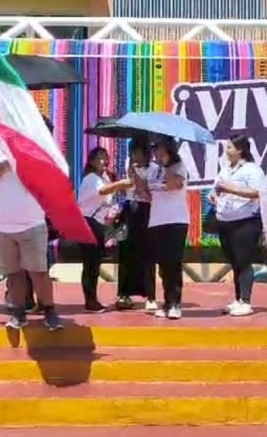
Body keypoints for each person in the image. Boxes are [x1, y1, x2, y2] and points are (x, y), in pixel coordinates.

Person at [0, 148, 62, 334]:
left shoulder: (37, 153)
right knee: (14, 273)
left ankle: (49, 311)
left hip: (32, 224)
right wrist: (9, 162)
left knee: (38, 272)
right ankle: (18, 313)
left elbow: (50, 180)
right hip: (1, 227)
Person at [211, 135, 266, 317]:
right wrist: (214, 195)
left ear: (240, 150)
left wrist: (230, 189)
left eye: (229, 148)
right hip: (225, 220)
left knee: (243, 260)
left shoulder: (252, 170)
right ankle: (237, 298)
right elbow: (217, 187)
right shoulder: (226, 169)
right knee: (234, 261)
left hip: (246, 221)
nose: (226, 151)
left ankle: (246, 301)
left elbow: (257, 192)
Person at [77, 147, 133, 313]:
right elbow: (102, 191)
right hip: (87, 222)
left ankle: (92, 298)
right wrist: (120, 184)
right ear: (92, 161)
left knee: (94, 263)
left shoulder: (104, 178)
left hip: (97, 223)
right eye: (101, 158)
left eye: (106, 157)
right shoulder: (91, 178)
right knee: (90, 263)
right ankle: (90, 300)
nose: (105, 161)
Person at [144, 137, 190, 320]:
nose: (155, 152)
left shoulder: (179, 167)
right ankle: (167, 301)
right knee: (162, 265)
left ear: (168, 149)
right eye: (154, 149)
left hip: (176, 221)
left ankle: (175, 303)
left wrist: (165, 166)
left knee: (173, 263)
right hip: (157, 221)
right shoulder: (154, 171)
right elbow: (148, 195)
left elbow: (173, 186)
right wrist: (138, 180)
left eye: (159, 148)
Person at [115, 139, 158, 312]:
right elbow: (125, 189)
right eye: (132, 152)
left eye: (138, 152)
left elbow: (149, 194)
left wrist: (136, 177)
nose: (134, 156)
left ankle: (150, 295)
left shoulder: (154, 169)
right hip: (128, 209)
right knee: (125, 251)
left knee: (147, 254)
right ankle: (124, 294)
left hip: (145, 210)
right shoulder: (127, 164)